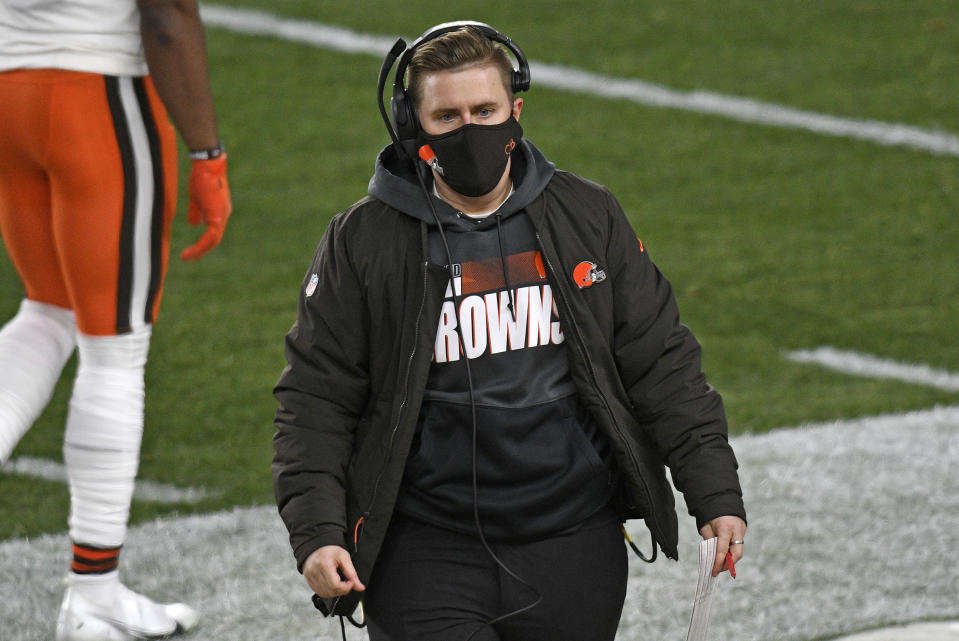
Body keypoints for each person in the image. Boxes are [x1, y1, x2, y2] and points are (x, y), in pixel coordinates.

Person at [273, 21, 745, 641]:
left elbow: (661, 362)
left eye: (485, 109)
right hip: (425, 554)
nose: (470, 128)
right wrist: (316, 532)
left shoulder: (587, 213)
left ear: (515, 111)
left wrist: (714, 490)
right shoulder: (362, 242)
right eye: (448, 116)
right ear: (413, 128)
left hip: (574, 543)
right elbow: (316, 398)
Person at [0, 0, 231, 638]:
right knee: (115, 349)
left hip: (8, 89)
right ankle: (93, 596)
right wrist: (207, 153)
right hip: (93, 95)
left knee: (48, 312)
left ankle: (98, 594)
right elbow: (167, 14)